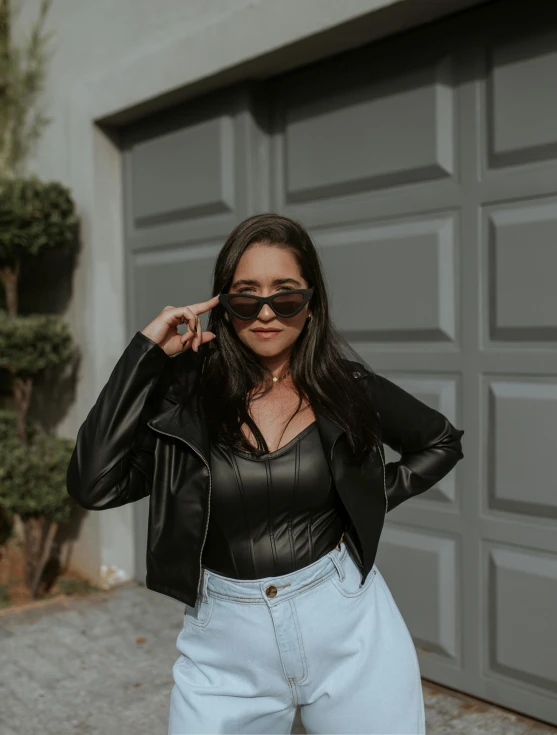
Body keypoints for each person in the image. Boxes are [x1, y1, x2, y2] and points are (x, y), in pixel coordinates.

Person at [67, 213, 464, 735]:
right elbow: (94, 483)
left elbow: (440, 441)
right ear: (223, 305)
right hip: (225, 646)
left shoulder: (347, 388)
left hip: (347, 626)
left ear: (312, 301)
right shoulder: (187, 398)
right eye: (246, 296)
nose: (266, 312)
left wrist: (366, 496)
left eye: (286, 294)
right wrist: (144, 357)